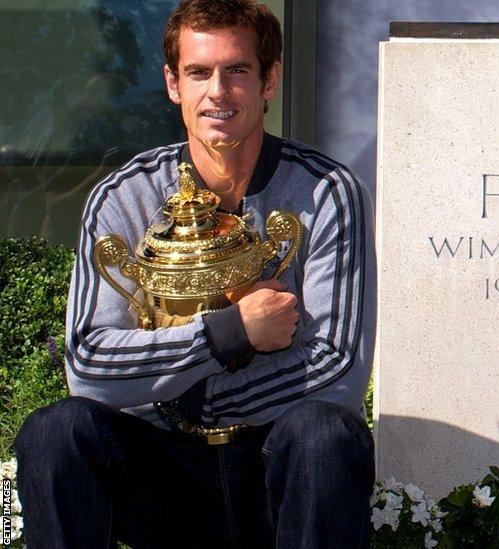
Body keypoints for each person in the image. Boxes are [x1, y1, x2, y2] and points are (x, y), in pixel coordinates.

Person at [13, 0, 376, 547]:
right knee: (55, 433)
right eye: (198, 72)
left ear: (269, 79)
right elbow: (88, 363)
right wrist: (230, 335)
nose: (218, 92)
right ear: (172, 83)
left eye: (237, 71)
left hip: (271, 466)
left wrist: (189, 396)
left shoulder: (327, 193)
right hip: (159, 470)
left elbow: (337, 369)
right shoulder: (123, 197)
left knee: (325, 433)